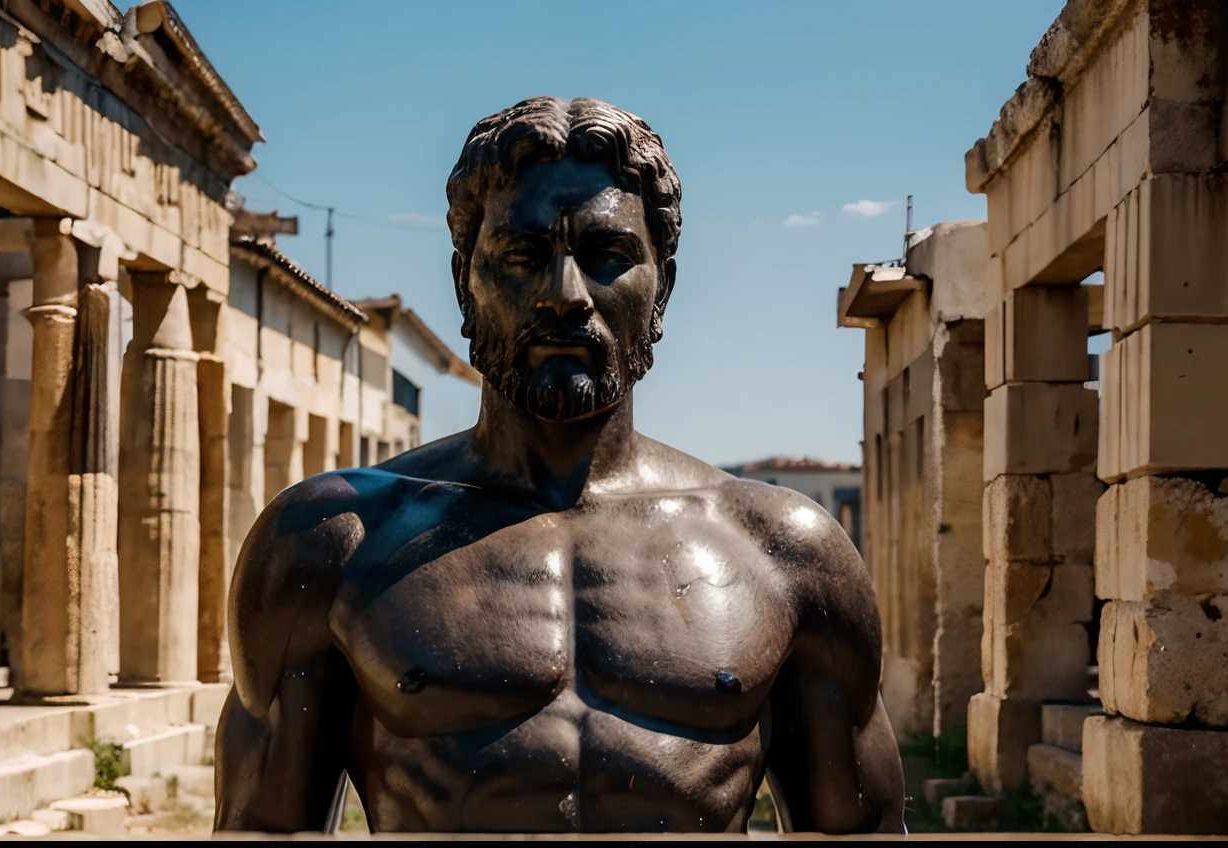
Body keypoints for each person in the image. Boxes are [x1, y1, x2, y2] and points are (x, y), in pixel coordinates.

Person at [214, 96, 904, 834]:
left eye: (608, 256)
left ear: (661, 286)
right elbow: (262, 829)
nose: (564, 297)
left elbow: (859, 832)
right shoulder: (331, 540)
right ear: (463, 283)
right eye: (522, 255)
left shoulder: (787, 554)